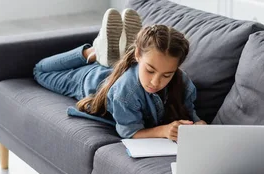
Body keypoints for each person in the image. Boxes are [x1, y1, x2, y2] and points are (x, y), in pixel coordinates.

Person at [33, 8, 206, 141]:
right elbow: (130, 132)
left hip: (115, 73)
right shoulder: (126, 93)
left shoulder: (183, 83)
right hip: (86, 79)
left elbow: (189, 113)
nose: (155, 81)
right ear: (138, 54)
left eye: (167, 75)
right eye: (150, 70)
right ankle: (95, 51)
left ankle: (112, 56)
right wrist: (164, 130)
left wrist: (199, 125)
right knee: (40, 70)